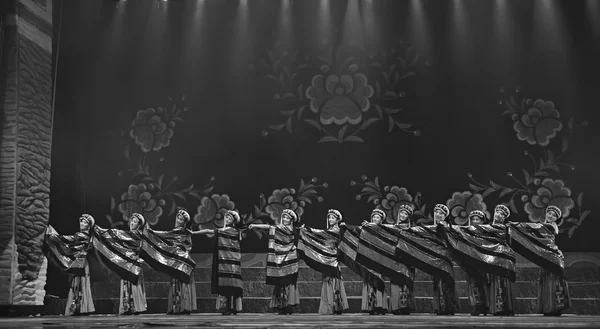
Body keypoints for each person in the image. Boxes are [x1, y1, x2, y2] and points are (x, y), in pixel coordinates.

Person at [141, 209, 197, 315]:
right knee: (176, 283)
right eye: (178, 217)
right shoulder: (176, 231)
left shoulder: (183, 231)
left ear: (185, 223)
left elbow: (166, 235)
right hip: (176, 261)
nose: (178, 219)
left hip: (182, 261)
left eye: (181, 219)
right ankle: (177, 307)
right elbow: (168, 238)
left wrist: (151, 232)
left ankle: (182, 308)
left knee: (181, 283)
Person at [92, 213, 148, 315]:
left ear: (139, 225)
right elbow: (114, 234)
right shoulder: (126, 235)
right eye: (132, 220)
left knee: (134, 285)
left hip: (134, 264)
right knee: (126, 285)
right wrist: (99, 230)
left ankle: (135, 307)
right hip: (125, 263)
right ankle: (126, 307)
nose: (132, 223)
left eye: (135, 221)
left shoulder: (139, 235)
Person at [298, 209, 349, 315]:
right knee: (327, 280)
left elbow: (320, 233)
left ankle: (336, 305)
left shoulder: (337, 230)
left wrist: (307, 230)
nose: (330, 219)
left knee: (335, 280)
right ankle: (328, 305)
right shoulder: (328, 231)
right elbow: (319, 236)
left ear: (338, 219)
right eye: (329, 217)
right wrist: (305, 231)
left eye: (333, 218)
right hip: (326, 258)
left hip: (333, 258)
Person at [249, 209, 300, 315]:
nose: (285, 219)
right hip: (279, 258)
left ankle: (289, 305)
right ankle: (281, 305)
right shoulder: (278, 228)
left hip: (290, 258)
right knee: (281, 282)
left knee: (289, 282)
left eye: (287, 217)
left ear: (291, 220)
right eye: (284, 217)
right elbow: (268, 227)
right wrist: (254, 225)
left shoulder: (295, 230)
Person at [193, 210, 243, 315]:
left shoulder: (231, 231)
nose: (227, 219)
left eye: (230, 218)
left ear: (233, 220)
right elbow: (207, 231)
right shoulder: (228, 231)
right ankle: (230, 308)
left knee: (230, 285)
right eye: (227, 218)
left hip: (230, 261)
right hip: (227, 261)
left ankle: (231, 308)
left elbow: (209, 231)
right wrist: (194, 233)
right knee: (228, 285)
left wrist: (193, 233)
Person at [44, 214, 96, 316]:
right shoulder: (85, 237)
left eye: (85, 222)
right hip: (79, 261)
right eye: (81, 221)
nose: (82, 224)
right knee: (76, 283)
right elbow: (70, 245)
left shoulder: (83, 236)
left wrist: (55, 237)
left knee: (79, 283)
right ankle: (79, 307)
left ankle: (79, 307)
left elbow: (68, 240)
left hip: (81, 262)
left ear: (89, 226)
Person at [537, 206, 571, 316]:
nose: (550, 216)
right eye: (549, 213)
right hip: (546, 255)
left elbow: (548, 243)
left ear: (556, 218)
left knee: (552, 281)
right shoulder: (545, 226)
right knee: (547, 280)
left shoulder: (550, 227)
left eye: (553, 215)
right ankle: (549, 307)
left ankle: (553, 307)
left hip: (551, 255)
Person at [358, 209, 389, 315]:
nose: (375, 219)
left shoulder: (383, 229)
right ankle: (371, 306)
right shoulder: (366, 228)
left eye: (377, 217)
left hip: (379, 259)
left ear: (381, 220)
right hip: (369, 258)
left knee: (378, 280)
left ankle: (380, 305)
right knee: (370, 281)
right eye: (374, 217)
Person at [487, 205, 515, 316]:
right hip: (491, 258)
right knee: (494, 282)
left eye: (502, 214)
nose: (499, 215)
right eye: (498, 212)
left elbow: (510, 245)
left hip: (503, 258)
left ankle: (506, 308)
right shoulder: (487, 227)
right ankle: (495, 308)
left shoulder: (506, 229)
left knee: (504, 282)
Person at [389, 204, 416, 315]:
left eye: (405, 214)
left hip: (407, 258)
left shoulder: (411, 229)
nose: (402, 215)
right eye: (401, 213)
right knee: (396, 281)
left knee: (405, 281)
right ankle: (396, 306)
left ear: (408, 216)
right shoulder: (393, 227)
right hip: (395, 257)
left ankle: (404, 306)